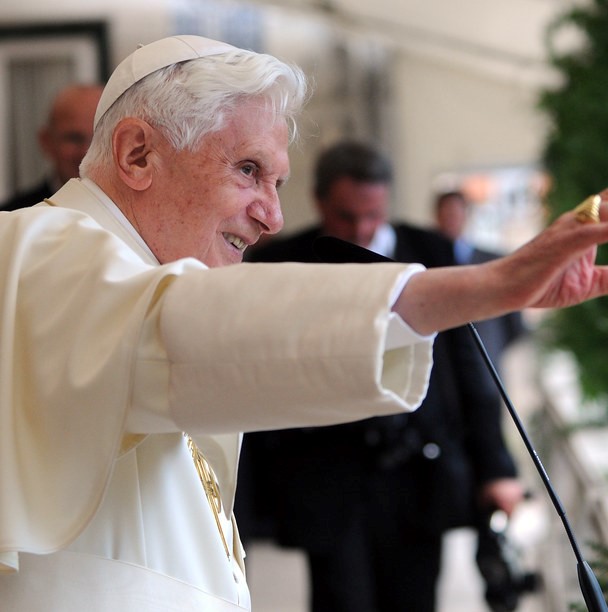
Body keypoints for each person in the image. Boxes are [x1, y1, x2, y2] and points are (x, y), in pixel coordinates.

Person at [0, 35, 607, 612]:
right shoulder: (41, 249)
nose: (272, 215)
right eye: (247, 170)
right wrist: (484, 286)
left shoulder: (124, 265)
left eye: (279, 181)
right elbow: (186, 330)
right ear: (138, 155)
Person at [239, 140, 526, 612]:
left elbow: (473, 369)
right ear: (318, 202)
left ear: (387, 201)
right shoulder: (279, 263)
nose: (361, 230)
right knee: (341, 599)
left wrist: (496, 468)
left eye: (372, 215)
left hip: (418, 471)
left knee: (415, 597)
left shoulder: (434, 253)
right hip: (326, 477)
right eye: (346, 217)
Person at [434, 189, 528, 370]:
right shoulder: (424, 263)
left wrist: (492, 346)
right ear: (437, 216)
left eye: (455, 213)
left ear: (466, 215)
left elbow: (514, 323)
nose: (450, 219)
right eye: (446, 213)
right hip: (442, 369)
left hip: (486, 364)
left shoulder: (494, 261)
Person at [0, 83, 103, 211]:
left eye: (99, 139)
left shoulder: (131, 218)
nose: (87, 151)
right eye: (74, 138)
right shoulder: (15, 220)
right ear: (46, 142)